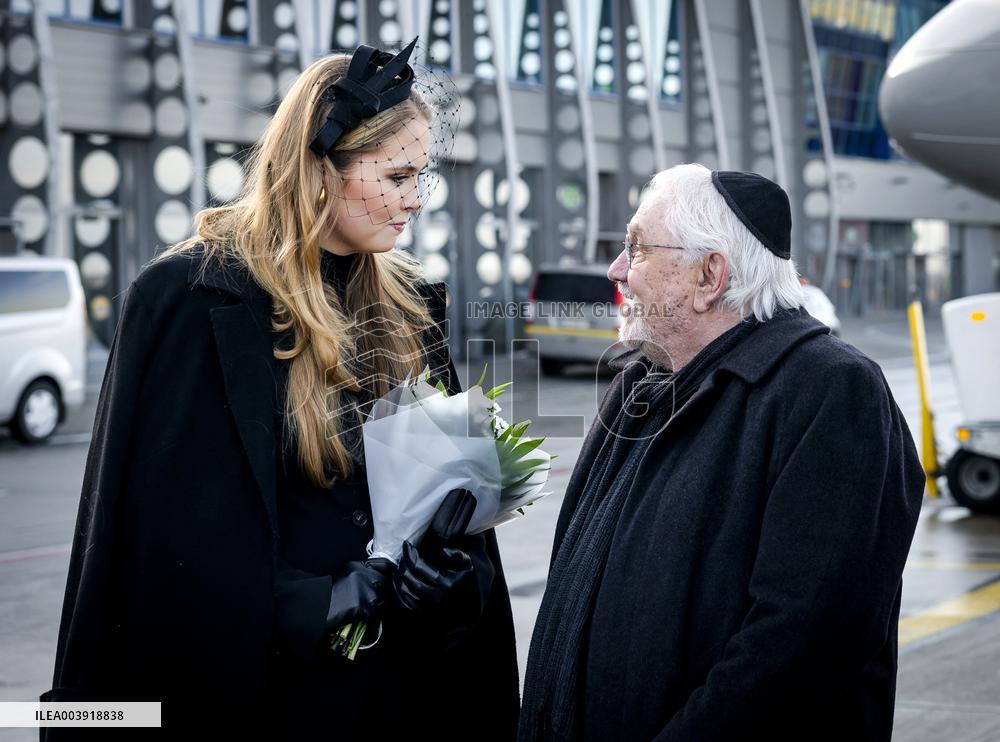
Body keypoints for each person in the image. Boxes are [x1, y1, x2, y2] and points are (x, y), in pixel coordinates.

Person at [42, 40, 519, 739]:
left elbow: (462, 528)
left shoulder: (416, 304)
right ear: (321, 167)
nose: (415, 198)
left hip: (394, 705)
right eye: (396, 175)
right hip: (259, 708)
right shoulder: (189, 301)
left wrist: (453, 586)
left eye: (423, 176)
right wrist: (307, 604)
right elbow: (149, 547)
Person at [520, 164, 925, 741]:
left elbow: (799, 650)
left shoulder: (831, 392)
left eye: (635, 248)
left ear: (709, 276)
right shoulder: (640, 383)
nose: (617, 272)